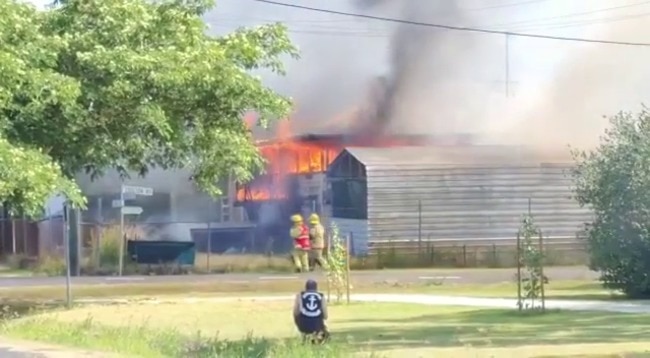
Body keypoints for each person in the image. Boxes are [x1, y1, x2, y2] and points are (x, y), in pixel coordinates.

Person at [293, 279, 329, 344]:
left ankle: (304, 335)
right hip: (317, 325)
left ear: (306, 288)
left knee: (297, 315)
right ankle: (318, 338)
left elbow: (295, 312)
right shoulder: (321, 296)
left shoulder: (299, 295)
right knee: (326, 333)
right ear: (316, 288)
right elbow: (326, 316)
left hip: (303, 325)